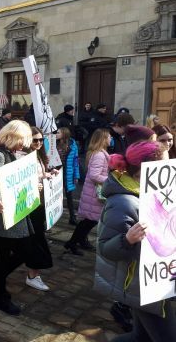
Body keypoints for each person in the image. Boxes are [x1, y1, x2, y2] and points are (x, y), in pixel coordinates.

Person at [95, 141, 176, 342]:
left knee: (142, 337)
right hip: (143, 287)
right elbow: (106, 248)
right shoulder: (123, 202)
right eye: (164, 164)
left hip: (159, 280)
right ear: (144, 170)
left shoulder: (158, 193)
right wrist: (127, 239)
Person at [0, 120, 35, 315]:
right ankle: (0, 295)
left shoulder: (10, 153)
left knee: (20, 253)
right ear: (12, 137)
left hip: (15, 214)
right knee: (4, 257)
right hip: (2, 216)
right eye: (22, 140)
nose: (24, 145)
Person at [64, 128, 111, 255]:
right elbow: (94, 175)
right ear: (103, 139)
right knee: (89, 221)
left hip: (93, 192)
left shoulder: (98, 153)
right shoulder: (100, 155)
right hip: (94, 193)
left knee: (88, 221)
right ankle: (72, 243)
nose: (110, 139)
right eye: (108, 137)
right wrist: (111, 179)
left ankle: (76, 242)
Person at [24, 126, 53, 291]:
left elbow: (39, 175)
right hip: (30, 205)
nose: (39, 143)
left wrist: (48, 175)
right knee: (35, 240)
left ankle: (33, 273)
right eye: (35, 140)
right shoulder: (24, 157)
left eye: (41, 140)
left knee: (35, 238)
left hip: (40, 203)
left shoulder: (39, 156)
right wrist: (38, 182)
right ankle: (32, 275)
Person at [56, 127, 80, 225]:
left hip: (68, 173)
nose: (56, 134)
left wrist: (76, 176)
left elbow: (76, 162)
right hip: (56, 172)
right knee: (55, 195)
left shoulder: (72, 145)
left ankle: (72, 217)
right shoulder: (53, 143)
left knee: (69, 196)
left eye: (58, 132)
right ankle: (53, 216)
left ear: (64, 134)